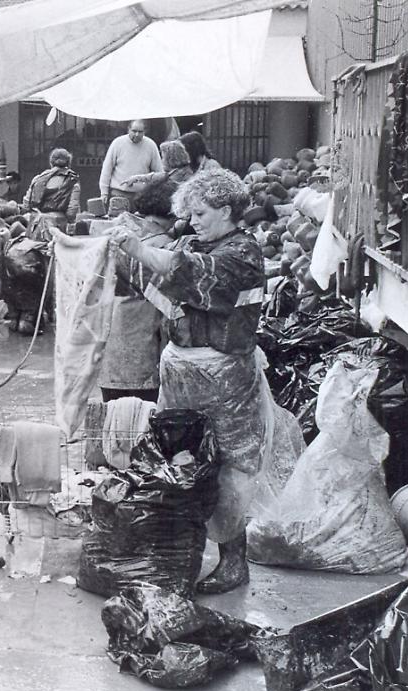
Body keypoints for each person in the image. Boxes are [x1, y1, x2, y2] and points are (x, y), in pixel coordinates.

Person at [108, 169, 266, 594]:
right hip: (183, 369)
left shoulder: (241, 255)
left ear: (227, 210)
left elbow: (185, 271)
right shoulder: (201, 241)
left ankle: (235, 561)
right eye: (189, 213)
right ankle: (179, 552)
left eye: (201, 213)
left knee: (229, 464)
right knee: (177, 460)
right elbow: (161, 284)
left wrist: (137, 248)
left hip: (224, 377)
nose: (192, 221)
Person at [99, 176, 178, 403]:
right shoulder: (165, 247)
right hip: (144, 352)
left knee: (116, 423)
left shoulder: (118, 234)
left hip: (111, 349)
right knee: (143, 427)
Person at [99, 120, 163, 207]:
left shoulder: (151, 145)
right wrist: (104, 193)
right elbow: (107, 168)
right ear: (128, 129)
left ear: (145, 131)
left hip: (141, 195)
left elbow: (159, 172)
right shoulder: (117, 143)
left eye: (140, 132)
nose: (136, 134)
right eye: (134, 131)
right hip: (119, 193)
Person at [22, 148, 80, 238]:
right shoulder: (72, 181)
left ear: (51, 162)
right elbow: (71, 211)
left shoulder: (37, 179)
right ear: (69, 163)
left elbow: (26, 205)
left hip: (36, 226)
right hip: (58, 228)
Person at [119, 140, 193, 194]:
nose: (161, 160)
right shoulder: (177, 172)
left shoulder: (178, 179)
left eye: (163, 157)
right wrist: (136, 178)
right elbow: (158, 176)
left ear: (171, 159)